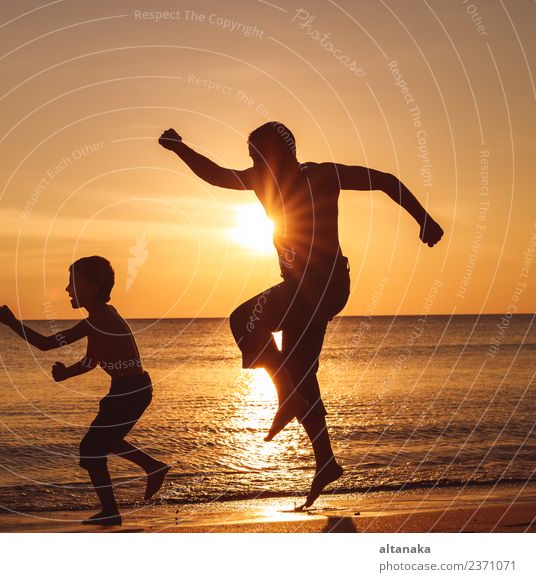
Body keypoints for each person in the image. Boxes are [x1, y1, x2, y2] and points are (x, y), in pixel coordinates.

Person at [159, 122, 444, 509]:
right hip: (301, 292)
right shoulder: (260, 181)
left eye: (262, 155)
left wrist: (422, 217)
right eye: (252, 157)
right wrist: (180, 148)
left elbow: (384, 180)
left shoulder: (322, 174)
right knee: (302, 373)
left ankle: (287, 395)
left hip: (324, 283)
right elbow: (216, 175)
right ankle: (325, 460)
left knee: (244, 319)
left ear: (286, 151)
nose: (256, 163)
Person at [0, 255, 169, 525]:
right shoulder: (102, 318)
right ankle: (151, 468)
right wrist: (66, 373)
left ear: (93, 288)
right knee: (102, 443)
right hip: (128, 390)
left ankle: (114, 509)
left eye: (72, 283)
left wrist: (13, 324)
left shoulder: (97, 320)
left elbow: (46, 343)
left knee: (91, 449)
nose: (67, 289)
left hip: (130, 391)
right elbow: (91, 360)